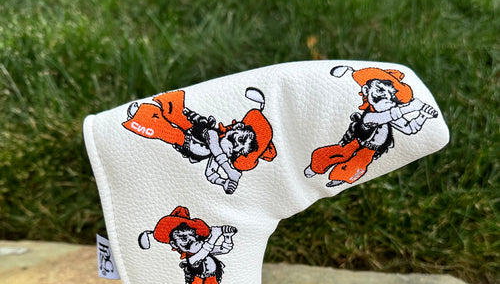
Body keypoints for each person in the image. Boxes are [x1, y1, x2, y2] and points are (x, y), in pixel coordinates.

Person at [305, 66, 438, 187]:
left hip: (372, 149)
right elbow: (387, 116)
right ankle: (315, 168)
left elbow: (409, 129)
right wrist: (411, 107)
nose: (385, 97)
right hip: (355, 142)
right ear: (366, 90)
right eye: (380, 90)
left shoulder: (390, 115)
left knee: (358, 165)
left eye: (391, 95)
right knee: (337, 154)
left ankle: (340, 178)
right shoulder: (370, 116)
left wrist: (423, 116)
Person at [123, 89, 275, 194]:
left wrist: (224, 182)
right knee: (175, 115)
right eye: (241, 139)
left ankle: (139, 116)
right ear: (237, 127)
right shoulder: (214, 137)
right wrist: (230, 171)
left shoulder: (219, 154)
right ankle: (145, 111)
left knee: (166, 131)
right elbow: (214, 146)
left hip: (183, 141)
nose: (237, 145)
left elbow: (210, 173)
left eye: (239, 150)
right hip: (193, 130)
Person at [138, 206, 237, 284]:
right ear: (175, 244)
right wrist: (213, 237)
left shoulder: (203, 247)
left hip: (212, 276)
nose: (190, 240)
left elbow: (223, 249)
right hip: (197, 277)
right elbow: (199, 257)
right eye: (183, 238)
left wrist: (227, 237)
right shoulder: (193, 256)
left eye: (193, 236)